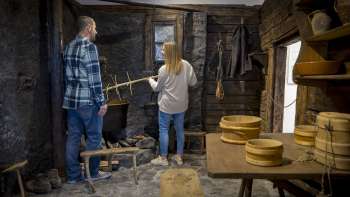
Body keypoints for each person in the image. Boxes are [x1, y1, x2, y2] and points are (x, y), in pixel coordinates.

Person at [63, 16, 110, 183]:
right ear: (89, 27)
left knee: (73, 138)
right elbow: (94, 79)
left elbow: (67, 78)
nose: (96, 31)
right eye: (95, 28)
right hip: (88, 102)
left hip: (71, 102)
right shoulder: (89, 48)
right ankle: (93, 173)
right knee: (94, 137)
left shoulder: (68, 47)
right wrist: (102, 101)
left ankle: (73, 177)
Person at [148, 42, 197, 166]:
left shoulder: (163, 69)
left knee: (163, 130)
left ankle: (163, 158)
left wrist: (150, 80)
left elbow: (157, 88)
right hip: (181, 105)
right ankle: (179, 156)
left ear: (169, 52)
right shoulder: (186, 65)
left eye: (164, 50)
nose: (162, 51)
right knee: (179, 130)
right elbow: (193, 82)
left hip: (167, 106)